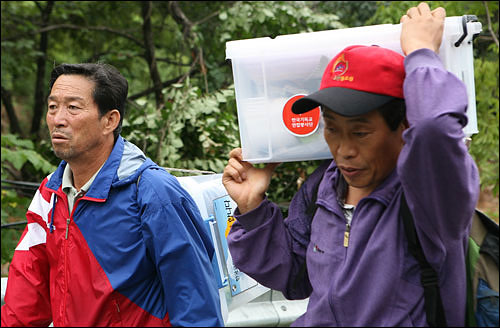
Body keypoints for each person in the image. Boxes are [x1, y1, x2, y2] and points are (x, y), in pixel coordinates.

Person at [222, 2, 479, 326]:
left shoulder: (429, 196)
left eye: (360, 132)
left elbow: (435, 130)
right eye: (332, 129)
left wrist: (421, 54)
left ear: (404, 126)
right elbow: (292, 275)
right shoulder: (325, 187)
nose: (343, 150)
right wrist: (252, 207)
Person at [1, 63, 224, 326]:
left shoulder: (153, 192)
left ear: (110, 120)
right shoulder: (50, 193)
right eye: (53, 107)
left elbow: (195, 305)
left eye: (73, 107)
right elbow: (26, 298)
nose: (58, 119)